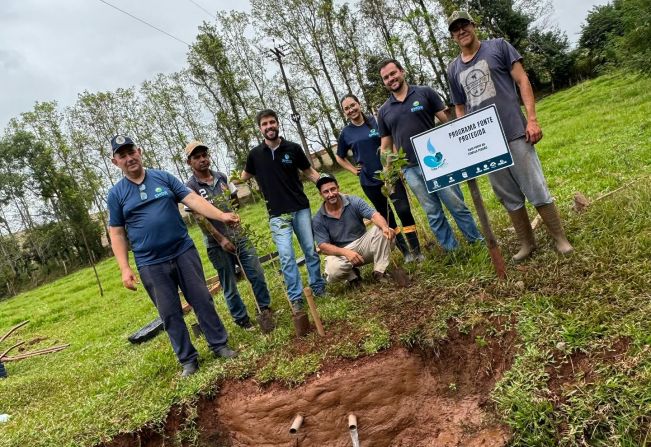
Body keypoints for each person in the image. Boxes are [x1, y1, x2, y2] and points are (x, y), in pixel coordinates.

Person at [446, 10, 573, 261]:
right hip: (486, 145)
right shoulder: (453, 69)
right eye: (455, 29)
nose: (461, 31)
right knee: (508, 196)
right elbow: (459, 107)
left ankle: (560, 238)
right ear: (452, 36)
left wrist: (533, 119)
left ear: (474, 25)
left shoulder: (499, 47)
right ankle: (527, 244)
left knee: (535, 186)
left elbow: (522, 80)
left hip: (515, 131)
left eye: (464, 25)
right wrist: (466, 142)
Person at [107, 135, 238, 378]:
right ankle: (188, 360)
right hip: (150, 263)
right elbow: (116, 233)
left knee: (202, 299)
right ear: (115, 162)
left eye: (131, 152)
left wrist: (221, 215)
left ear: (140, 151)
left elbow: (193, 200)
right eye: (122, 155)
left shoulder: (163, 178)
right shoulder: (116, 194)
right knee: (169, 313)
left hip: (182, 251)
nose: (129, 158)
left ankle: (219, 345)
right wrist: (124, 268)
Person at [376, 59, 483, 252]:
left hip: (439, 162)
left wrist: (461, 151)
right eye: (386, 77)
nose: (391, 79)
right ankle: (453, 250)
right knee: (433, 213)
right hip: (411, 169)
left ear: (402, 71)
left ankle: (477, 241)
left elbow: (448, 123)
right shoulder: (383, 111)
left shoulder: (425, 93)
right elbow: (385, 146)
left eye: (393, 73)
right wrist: (387, 175)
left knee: (456, 205)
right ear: (383, 82)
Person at [240, 109, 327, 312]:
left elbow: (310, 172)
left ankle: (318, 286)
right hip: (277, 214)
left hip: (300, 208)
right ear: (260, 129)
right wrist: (221, 189)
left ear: (278, 124)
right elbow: (241, 177)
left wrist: (327, 185)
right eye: (265, 124)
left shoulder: (293, 148)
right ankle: (296, 297)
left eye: (272, 122)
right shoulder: (255, 155)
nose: (269, 126)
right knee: (286, 256)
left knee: (310, 250)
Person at [185, 141, 273, 331]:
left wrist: (234, 216)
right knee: (229, 283)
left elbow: (234, 200)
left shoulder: (222, 177)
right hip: (216, 243)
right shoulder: (190, 186)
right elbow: (199, 217)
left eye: (204, 155)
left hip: (239, 235)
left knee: (255, 271)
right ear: (189, 162)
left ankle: (264, 308)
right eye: (197, 157)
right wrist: (220, 239)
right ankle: (242, 320)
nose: (202, 160)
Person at [336, 94, 424, 264]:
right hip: (369, 182)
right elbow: (340, 157)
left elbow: (391, 140)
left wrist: (396, 161)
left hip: (389, 175)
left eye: (353, 105)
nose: (351, 110)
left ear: (359, 104)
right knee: (386, 216)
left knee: (403, 210)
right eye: (346, 108)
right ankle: (406, 253)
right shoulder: (346, 133)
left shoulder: (376, 122)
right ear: (344, 112)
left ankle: (417, 250)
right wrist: (354, 170)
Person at [312, 174, 395, 284]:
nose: (331, 194)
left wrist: (385, 227)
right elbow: (323, 246)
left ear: (338, 187)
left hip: (364, 244)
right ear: (320, 194)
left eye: (333, 189)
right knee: (333, 271)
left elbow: (374, 215)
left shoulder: (354, 201)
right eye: (326, 192)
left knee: (382, 230)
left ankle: (380, 272)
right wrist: (346, 252)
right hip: (341, 253)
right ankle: (353, 277)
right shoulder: (318, 219)